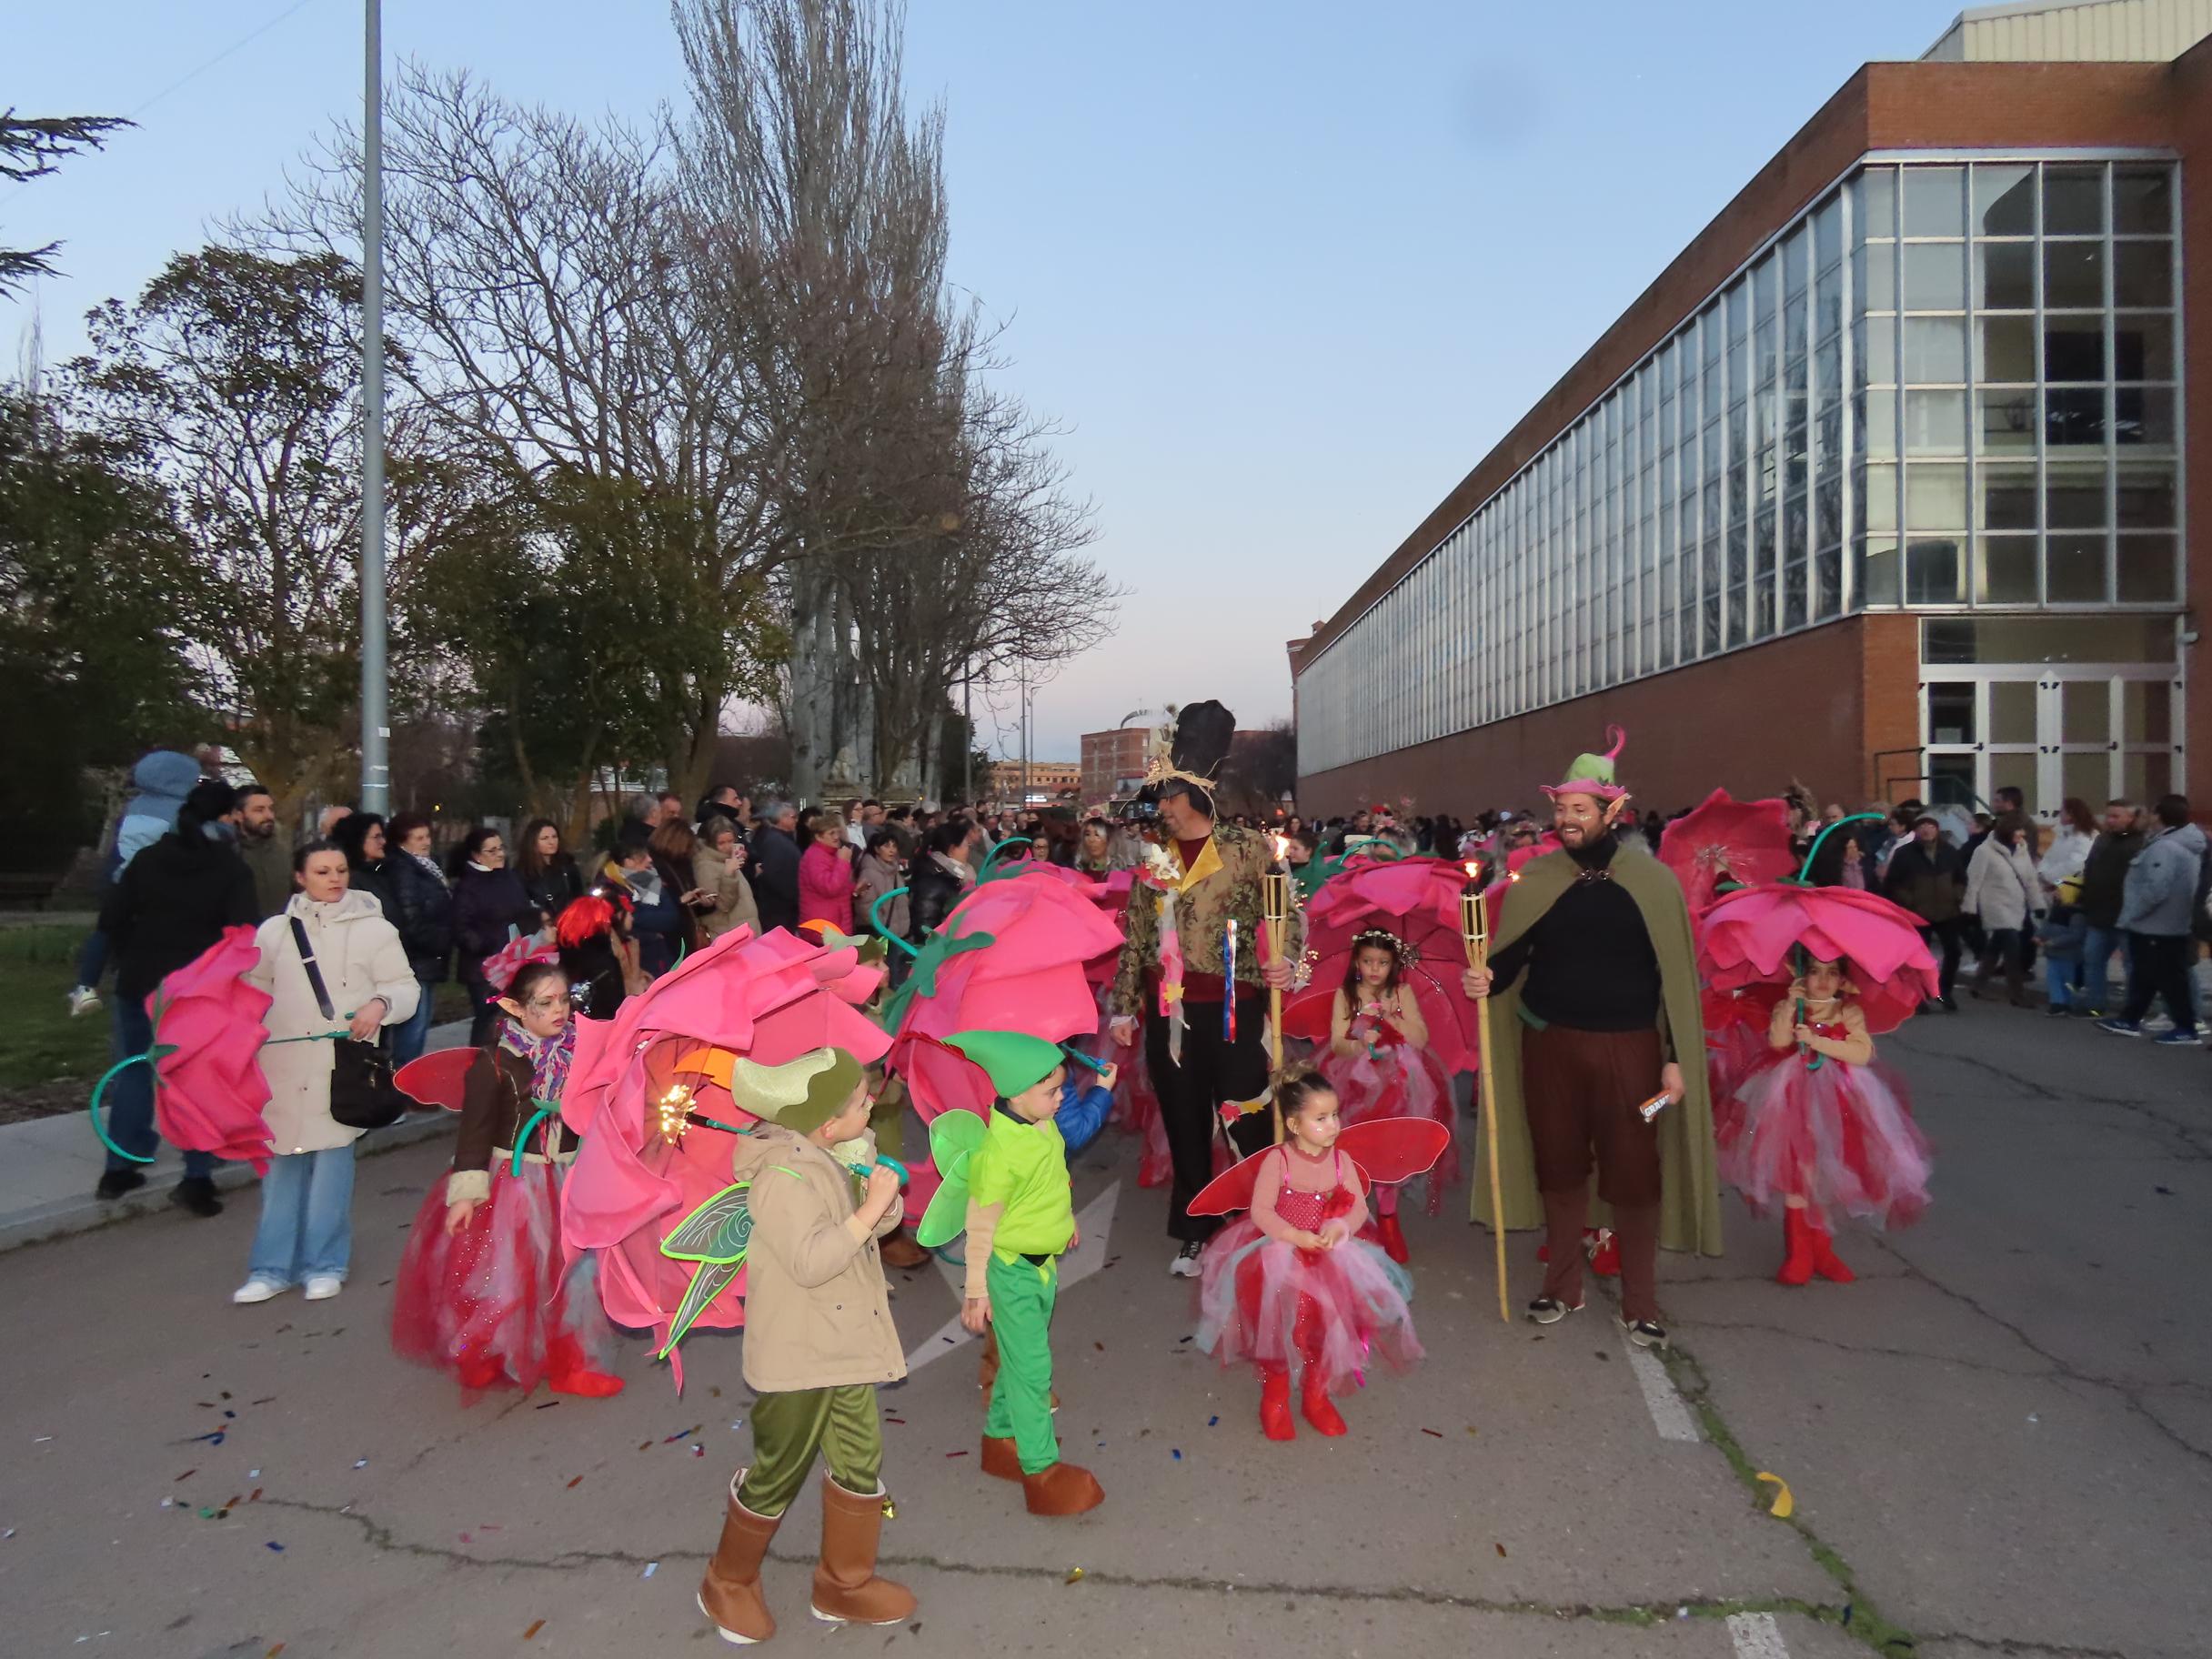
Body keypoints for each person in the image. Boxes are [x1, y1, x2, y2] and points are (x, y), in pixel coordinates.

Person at [1460, 728, 1722, 1349]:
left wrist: (1678, 1062)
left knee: (1635, 1170)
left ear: (1613, 812)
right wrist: (1484, 978)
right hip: (1547, 1047)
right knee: (1559, 1166)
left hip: (1632, 1054)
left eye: (1579, 809)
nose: (1566, 819)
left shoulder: (1653, 884)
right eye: (1560, 808)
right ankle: (1562, 1287)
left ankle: (1640, 1302)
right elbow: (1510, 961)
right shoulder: (1540, 879)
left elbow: (1676, 983)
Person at [699, 1048, 915, 1645]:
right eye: (858, 1102)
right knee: (780, 1469)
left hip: (842, 1341)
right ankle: (727, 1580)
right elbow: (812, 1260)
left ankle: (842, 1585)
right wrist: (870, 1207)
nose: (870, 1102)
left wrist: (876, 1196)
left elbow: (875, 1225)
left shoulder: (833, 1151)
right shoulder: (783, 1177)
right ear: (824, 1122)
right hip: (798, 1355)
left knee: (858, 1455)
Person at [1105, 701, 1296, 1278]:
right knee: (1184, 1117)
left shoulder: (1247, 849)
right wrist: (1122, 1006)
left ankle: (1269, 1214)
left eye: (1166, 796)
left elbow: (1288, 914)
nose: (1159, 807)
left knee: (1246, 1112)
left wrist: (1288, 960)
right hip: (1169, 1010)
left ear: (1193, 798)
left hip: (1236, 1002)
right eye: (1157, 797)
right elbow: (1135, 935)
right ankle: (1194, 1227)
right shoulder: (1151, 857)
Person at [389, 960, 623, 1396]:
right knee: (505, 1277)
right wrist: (466, 1193)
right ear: (516, 1007)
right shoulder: (495, 1062)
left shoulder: (580, 1052)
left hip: (571, 1178)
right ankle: (485, 1351)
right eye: (545, 1002)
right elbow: (474, 1132)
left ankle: (572, 1361)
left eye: (564, 1000)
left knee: (576, 1275)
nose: (560, 1010)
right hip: (515, 1184)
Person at [234, 840, 418, 1303]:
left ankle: (325, 1262)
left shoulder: (375, 930)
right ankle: (270, 1267)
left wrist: (381, 1004)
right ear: (301, 877)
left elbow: (403, 986)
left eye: (340, 869)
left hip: (344, 1069)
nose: (334, 879)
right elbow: (248, 993)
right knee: (281, 1170)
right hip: (280, 1066)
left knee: (332, 1170)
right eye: (322, 871)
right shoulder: (274, 932)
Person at [1194, 1069, 1420, 1440]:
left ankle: (1315, 1396)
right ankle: (1276, 1397)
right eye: (1321, 1118)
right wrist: (1294, 1235)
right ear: (1294, 1124)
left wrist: (1340, 1226)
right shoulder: (1278, 1162)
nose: (1333, 1125)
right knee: (1282, 1330)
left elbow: (1359, 1208)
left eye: (1335, 1115)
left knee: (1325, 1328)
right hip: (1283, 1257)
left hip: (1332, 1258)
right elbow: (1261, 1212)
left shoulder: (1340, 1161)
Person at [944, 1031, 1113, 1516]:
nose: (1061, 1099)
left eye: (1061, 1089)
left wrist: (1065, 1220)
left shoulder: (1041, 1125)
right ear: (1016, 1093)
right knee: (1033, 1368)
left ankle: (999, 1441)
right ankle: (1041, 1472)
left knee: (1020, 1360)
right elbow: (980, 1225)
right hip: (1012, 1271)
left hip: (1044, 1267)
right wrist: (976, 1291)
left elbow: (1051, 1180)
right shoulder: (999, 1152)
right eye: (1052, 1092)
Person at [92, 777, 260, 1212]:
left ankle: (118, 1168)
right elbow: (244, 932)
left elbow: (111, 918)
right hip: (196, 991)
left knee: (132, 1070)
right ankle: (197, 1176)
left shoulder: (147, 859)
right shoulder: (230, 868)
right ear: (228, 818)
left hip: (139, 980)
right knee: (193, 1079)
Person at [1720, 956, 1931, 1285]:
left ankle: (1823, 1250)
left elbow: (1862, 1052)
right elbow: (1776, 1041)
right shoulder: (1792, 1006)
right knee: (1798, 1169)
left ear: (1842, 981)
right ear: (1801, 977)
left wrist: (1818, 1041)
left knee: (1829, 1166)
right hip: (1790, 1097)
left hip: (1841, 1098)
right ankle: (1799, 1254)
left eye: (1831, 974)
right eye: (1814, 972)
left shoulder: (1848, 1011)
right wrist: (1790, 1006)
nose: (1822, 980)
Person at [1321, 929, 1458, 1262]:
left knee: (1391, 1148)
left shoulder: (1401, 992)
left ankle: (1388, 1215)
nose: (1374, 969)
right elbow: (1337, 1042)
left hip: (1398, 1085)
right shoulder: (1347, 994)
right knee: (1352, 1146)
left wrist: (1391, 1018)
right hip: (1354, 1085)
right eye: (1367, 961)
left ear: (1393, 964)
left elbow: (1421, 1037)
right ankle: (1348, 1214)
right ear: (1357, 961)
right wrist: (1360, 1038)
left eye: (1382, 962)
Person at [65, 748, 202, 1017]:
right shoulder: (184, 813)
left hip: (122, 882)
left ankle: (86, 985)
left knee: (105, 932)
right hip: (160, 888)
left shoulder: (134, 807)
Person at [2096, 793, 2206, 1045]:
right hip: (2165, 924)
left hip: (2156, 925)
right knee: (2146, 975)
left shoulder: (2165, 847)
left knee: (2169, 979)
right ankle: (2130, 1019)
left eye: (2152, 813)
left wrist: (2133, 913)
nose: (2147, 817)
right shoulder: (2174, 843)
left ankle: (2185, 1028)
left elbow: (2156, 888)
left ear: (2160, 816)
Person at [451, 827, 538, 1047]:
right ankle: (479, 1064)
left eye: (501, 848)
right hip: (484, 969)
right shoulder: (468, 886)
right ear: (477, 856)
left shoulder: (509, 878)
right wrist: (490, 946)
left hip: (514, 962)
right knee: (488, 1019)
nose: (500, 854)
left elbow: (522, 911)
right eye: (492, 851)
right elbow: (461, 928)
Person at [385, 813, 453, 1066]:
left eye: (427, 836)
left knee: (419, 1023)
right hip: (417, 957)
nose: (426, 842)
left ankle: (408, 1080)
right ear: (403, 842)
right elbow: (411, 916)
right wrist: (437, 942)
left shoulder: (424, 866)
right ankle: (405, 1083)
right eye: (419, 838)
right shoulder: (405, 871)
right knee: (414, 1025)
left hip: (428, 955)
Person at [1882, 815, 1967, 1012]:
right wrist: (1908, 901)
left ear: (1937, 830)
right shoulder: (1904, 853)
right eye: (1922, 827)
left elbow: (1961, 878)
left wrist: (1956, 895)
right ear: (1916, 831)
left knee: (1954, 951)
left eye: (1931, 826)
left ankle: (1944, 992)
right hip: (1918, 913)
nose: (1927, 830)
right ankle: (1919, 996)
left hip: (1947, 911)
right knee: (1919, 958)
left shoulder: (1949, 851)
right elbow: (1892, 883)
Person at [2075, 799, 2144, 1017]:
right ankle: (2095, 1005)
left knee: (2132, 966)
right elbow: (2089, 868)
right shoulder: (2102, 839)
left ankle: (2133, 1010)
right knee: (2092, 960)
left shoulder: (2141, 843)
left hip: (2127, 915)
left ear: (2131, 818)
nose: (2110, 820)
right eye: (2109, 815)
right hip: (2098, 912)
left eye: (2116, 816)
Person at [1964, 815, 2040, 1005]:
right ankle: (2017, 993)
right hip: (1994, 904)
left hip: (2016, 904)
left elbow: (2030, 880)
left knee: (1995, 946)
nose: (2021, 834)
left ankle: (1978, 985)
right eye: (2017, 830)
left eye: (2023, 831)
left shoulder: (2022, 850)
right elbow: (1973, 881)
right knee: (2012, 948)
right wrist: (1970, 907)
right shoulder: (1984, 851)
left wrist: (2038, 905)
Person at [608, 820, 685, 976]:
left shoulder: (650, 879)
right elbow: (624, 928)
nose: (649, 860)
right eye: (642, 857)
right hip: (639, 965)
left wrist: (636, 917)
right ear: (627, 862)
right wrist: (649, 923)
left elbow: (671, 917)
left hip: (663, 957)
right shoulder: (611, 888)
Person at [907, 819, 978, 946]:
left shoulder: (957, 873)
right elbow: (925, 928)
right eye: (966, 845)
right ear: (952, 849)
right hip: (942, 950)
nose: (968, 849)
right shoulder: (933, 880)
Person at [692, 816, 760, 941]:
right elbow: (722, 905)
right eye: (721, 843)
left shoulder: (726, 860)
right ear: (711, 843)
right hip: (729, 936)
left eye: (730, 841)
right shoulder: (705, 866)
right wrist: (729, 874)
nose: (728, 847)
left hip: (741, 932)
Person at [235, 783, 292, 921]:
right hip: (243, 936)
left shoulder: (283, 850)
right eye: (259, 810)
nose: (269, 815)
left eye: (270, 809)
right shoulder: (229, 853)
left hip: (282, 932)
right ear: (239, 815)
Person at [514, 818, 586, 924]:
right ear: (533, 842)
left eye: (554, 837)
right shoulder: (522, 873)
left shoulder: (568, 866)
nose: (551, 842)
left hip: (571, 926)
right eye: (545, 838)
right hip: (542, 931)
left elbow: (579, 897)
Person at [749, 799, 803, 935]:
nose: (796, 820)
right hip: (778, 909)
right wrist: (793, 895)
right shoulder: (775, 841)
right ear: (781, 818)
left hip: (784, 907)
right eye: (793, 817)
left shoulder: (782, 839)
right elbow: (772, 874)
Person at [799, 810, 859, 935]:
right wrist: (843, 862)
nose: (837, 837)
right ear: (818, 836)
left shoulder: (830, 854)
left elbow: (838, 883)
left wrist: (854, 889)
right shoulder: (815, 857)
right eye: (831, 833)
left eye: (838, 832)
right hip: (824, 927)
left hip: (833, 923)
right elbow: (829, 887)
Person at [330, 810, 394, 920]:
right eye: (376, 837)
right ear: (358, 839)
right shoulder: (349, 881)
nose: (383, 841)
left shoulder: (380, 872)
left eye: (382, 836)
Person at [853, 828, 908, 948]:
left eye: (894, 846)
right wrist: (882, 927)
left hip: (897, 935)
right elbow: (864, 906)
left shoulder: (895, 871)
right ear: (877, 849)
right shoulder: (869, 873)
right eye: (886, 846)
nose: (891, 850)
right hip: (882, 934)